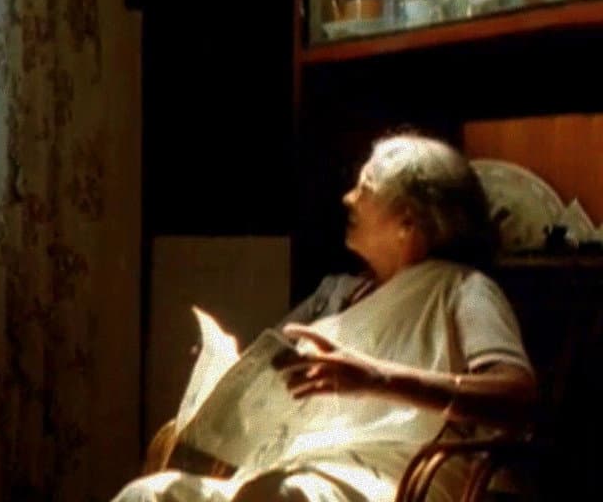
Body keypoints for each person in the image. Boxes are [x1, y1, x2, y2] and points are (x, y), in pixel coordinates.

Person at [118, 133, 537, 502]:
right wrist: (221, 371)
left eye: (365, 189)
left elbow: (517, 396)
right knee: (150, 494)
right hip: (295, 467)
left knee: (277, 496)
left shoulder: (462, 290)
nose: (348, 199)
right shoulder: (336, 295)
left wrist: (376, 379)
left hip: (389, 478)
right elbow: (269, 369)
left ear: (407, 222)